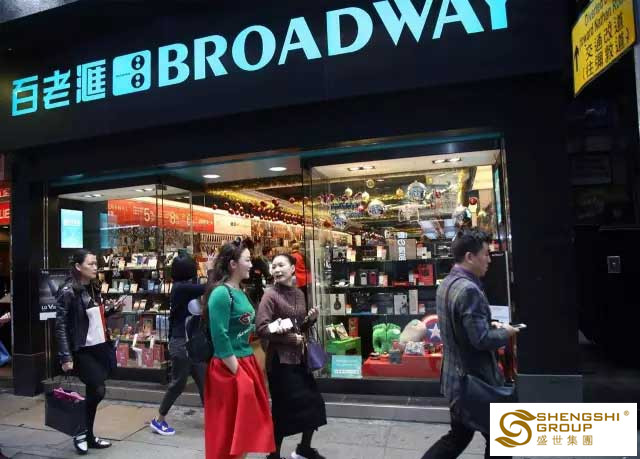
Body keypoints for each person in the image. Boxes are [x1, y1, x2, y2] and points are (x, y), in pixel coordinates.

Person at [421, 229, 518, 459]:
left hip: (456, 380)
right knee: (501, 439)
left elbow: (462, 327)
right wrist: (505, 332)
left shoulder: (447, 283)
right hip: (475, 383)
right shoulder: (469, 290)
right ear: (469, 257)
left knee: (458, 437)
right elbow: (481, 340)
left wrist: (488, 324)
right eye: (485, 254)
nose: (489, 259)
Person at [204, 240, 275, 459]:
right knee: (228, 431)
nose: (251, 264)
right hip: (229, 368)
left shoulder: (240, 292)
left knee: (245, 430)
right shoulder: (221, 294)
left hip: (245, 362)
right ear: (233, 264)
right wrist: (239, 373)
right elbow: (220, 337)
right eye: (247, 260)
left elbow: (245, 328)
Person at [257, 253, 327, 459]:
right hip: (280, 362)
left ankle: (304, 449)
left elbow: (299, 328)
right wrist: (289, 339)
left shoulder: (299, 294)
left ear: (292, 269)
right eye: (274, 266)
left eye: (281, 265)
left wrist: (310, 320)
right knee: (283, 410)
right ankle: (273, 455)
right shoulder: (270, 295)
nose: (277, 270)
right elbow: (261, 328)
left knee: (314, 404)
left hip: (300, 360)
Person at [55, 249, 118, 455]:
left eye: (95, 263)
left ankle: (88, 436)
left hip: (98, 345)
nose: (95, 267)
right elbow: (61, 325)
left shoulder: (93, 286)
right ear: (78, 266)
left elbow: (91, 315)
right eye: (90, 264)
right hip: (81, 349)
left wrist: (111, 310)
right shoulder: (68, 291)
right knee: (98, 389)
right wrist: (65, 356)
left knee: (94, 391)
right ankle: (80, 432)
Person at [150, 254, 208, 436]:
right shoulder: (181, 288)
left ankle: (213, 419)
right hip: (181, 343)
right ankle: (159, 420)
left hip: (191, 343)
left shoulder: (184, 287)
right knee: (178, 383)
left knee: (205, 382)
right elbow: (208, 288)